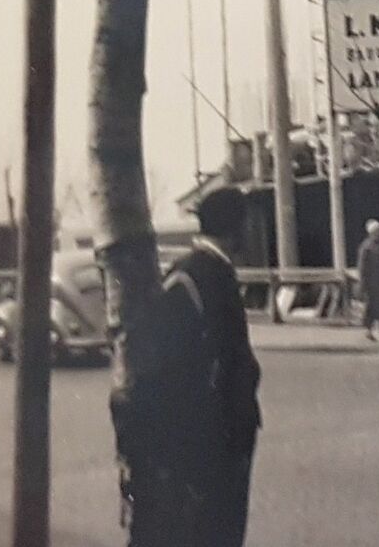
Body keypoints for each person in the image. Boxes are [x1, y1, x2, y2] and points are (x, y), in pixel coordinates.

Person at [113, 191, 261, 547]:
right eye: (247, 222)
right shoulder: (194, 278)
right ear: (234, 228)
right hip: (208, 447)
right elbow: (171, 370)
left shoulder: (211, 272)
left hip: (221, 442)